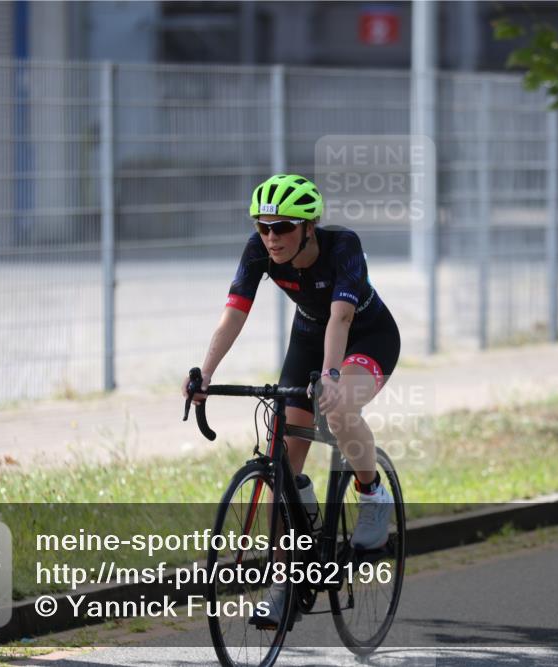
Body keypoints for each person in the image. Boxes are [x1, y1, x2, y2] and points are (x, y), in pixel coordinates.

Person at [183, 174, 401, 626]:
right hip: (307, 338)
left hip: (367, 336)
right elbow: (234, 313)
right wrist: (205, 373)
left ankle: (372, 493)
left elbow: (340, 317)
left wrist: (333, 376)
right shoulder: (258, 250)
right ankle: (282, 583)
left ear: (308, 226)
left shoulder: (343, 246)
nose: (271, 237)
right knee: (282, 464)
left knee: (339, 409)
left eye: (282, 227)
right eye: (263, 227)